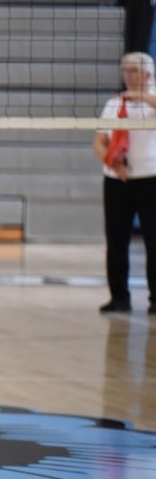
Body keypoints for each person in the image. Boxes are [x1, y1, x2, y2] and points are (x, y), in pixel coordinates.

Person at [96, 51, 156, 314]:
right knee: (116, 240)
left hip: (150, 179)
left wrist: (142, 97)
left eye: (134, 70)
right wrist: (113, 163)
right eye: (126, 70)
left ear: (148, 74)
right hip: (117, 181)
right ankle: (119, 297)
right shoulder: (113, 104)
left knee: (153, 241)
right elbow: (99, 141)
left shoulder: (151, 101)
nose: (128, 75)